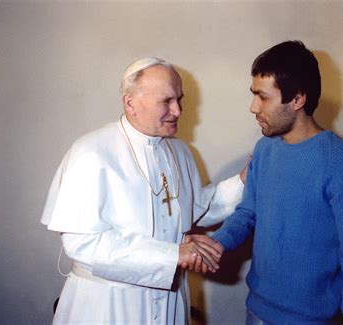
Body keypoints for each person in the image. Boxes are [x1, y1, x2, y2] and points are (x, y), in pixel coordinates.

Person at [41, 57, 246, 324]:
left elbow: (198, 207)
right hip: (108, 304)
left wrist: (244, 180)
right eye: (167, 101)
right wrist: (174, 253)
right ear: (130, 103)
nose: (178, 110)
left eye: (179, 99)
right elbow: (83, 243)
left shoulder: (180, 152)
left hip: (171, 299)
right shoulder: (91, 152)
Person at [192, 41, 343, 324]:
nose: (253, 107)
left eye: (263, 97)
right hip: (256, 311)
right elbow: (247, 214)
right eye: (253, 95)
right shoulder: (264, 149)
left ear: (297, 99)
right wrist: (216, 244)